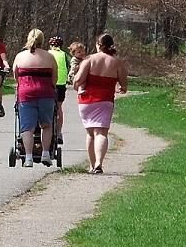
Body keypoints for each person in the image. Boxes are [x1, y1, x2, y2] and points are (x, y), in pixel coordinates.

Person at [73, 33, 128, 174]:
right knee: (101, 133)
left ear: (98, 45)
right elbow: (124, 86)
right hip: (105, 100)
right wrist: (119, 87)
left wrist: (76, 85)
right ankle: (99, 163)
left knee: (90, 133)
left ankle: (92, 165)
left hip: (87, 100)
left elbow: (78, 80)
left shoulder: (89, 60)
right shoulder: (117, 63)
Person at [13, 29, 58, 167]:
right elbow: (54, 78)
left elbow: (16, 77)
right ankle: (45, 153)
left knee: (27, 128)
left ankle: (28, 158)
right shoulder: (49, 57)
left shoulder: (20, 57)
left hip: (26, 94)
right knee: (46, 124)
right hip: (45, 93)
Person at [47, 35, 70, 143]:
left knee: (48, 106)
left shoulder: (47, 54)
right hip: (61, 84)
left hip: (49, 83)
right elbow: (69, 66)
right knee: (59, 107)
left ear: (50, 45)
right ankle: (59, 132)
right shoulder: (64, 55)